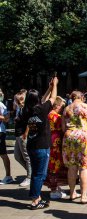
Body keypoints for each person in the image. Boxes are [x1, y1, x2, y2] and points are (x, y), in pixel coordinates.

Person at [24, 77, 58, 209]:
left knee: (35, 173)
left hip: (31, 145)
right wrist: (55, 85)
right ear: (36, 100)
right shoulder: (42, 110)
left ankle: (36, 197)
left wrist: (49, 87)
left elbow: (44, 100)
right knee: (40, 174)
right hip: (42, 147)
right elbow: (53, 99)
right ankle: (35, 201)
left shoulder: (26, 110)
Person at [62, 91, 87, 204]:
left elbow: (63, 128)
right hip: (84, 137)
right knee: (84, 166)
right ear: (82, 97)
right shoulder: (85, 106)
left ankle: (72, 193)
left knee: (72, 166)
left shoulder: (66, 108)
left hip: (69, 137)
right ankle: (84, 196)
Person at [45, 96, 67, 199]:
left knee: (55, 164)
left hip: (54, 140)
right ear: (57, 105)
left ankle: (56, 187)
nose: (63, 108)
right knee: (54, 165)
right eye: (62, 106)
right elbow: (62, 127)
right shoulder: (54, 115)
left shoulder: (51, 114)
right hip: (55, 141)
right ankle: (53, 190)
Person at [13, 90, 32, 187]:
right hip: (18, 134)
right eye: (17, 100)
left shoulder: (26, 108)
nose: (18, 102)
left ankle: (29, 177)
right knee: (17, 156)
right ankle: (32, 172)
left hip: (23, 135)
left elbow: (30, 122)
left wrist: (26, 133)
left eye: (20, 100)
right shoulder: (19, 108)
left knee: (26, 157)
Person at [0, 89, 12, 185]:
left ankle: (8, 176)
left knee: (3, 154)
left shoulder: (1, 105)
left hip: (0, 132)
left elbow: (7, 119)